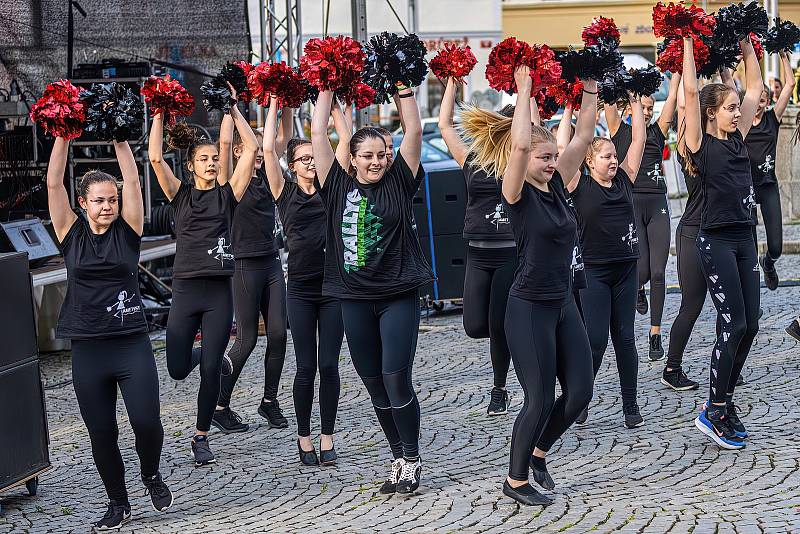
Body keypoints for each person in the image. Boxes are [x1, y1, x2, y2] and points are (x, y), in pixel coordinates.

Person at [461, 66, 595, 506]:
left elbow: (584, 134)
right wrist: (523, 90)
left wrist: (590, 79)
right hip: (528, 306)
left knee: (579, 393)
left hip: (562, 303)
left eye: (552, 157)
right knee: (538, 398)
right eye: (544, 158)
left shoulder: (557, 184)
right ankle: (515, 480)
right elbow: (519, 144)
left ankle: (538, 455)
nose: (551, 162)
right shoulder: (515, 193)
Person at [311, 84, 432, 495]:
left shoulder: (399, 180)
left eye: (382, 154)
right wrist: (325, 84)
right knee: (373, 381)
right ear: (352, 159)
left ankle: (413, 457)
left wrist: (402, 87)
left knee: (395, 376)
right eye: (368, 155)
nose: (377, 161)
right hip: (354, 299)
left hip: (398, 293)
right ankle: (397, 456)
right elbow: (316, 134)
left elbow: (413, 131)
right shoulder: (337, 185)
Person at [48, 136, 172, 530]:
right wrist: (62, 135)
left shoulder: (128, 230)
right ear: (82, 204)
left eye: (111, 200)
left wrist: (120, 140)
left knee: (147, 421)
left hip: (130, 342)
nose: (107, 206)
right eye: (99, 201)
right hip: (88, 348)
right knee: (102, 431)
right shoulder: (70, 233)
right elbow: (54, 184)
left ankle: (150, 474)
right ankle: (118, 502)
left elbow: (133, 182)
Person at [148, 86, 259, 466]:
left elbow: (251, 148)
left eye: (215, 158)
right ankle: (200, 356)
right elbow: (154, 157)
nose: (212, 163)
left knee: (212, 367)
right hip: (185, 291)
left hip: (217, 293)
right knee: (179, 368)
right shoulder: (179, 195)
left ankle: (201, 436)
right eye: (204, 159)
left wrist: (233, 108)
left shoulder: (229, 194)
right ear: (191, 165)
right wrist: (160, 110)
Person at [682, 36, 762, 450]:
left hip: (745, 238)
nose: (736, 113)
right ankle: (712, 409)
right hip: (714, 242)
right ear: (711, 114)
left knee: (751, 323)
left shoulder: (737, 138)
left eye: (736, 109)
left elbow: (755, 90)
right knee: (732, 324)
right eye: (728, 109)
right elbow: (692, 92)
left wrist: (747, 45)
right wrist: (688, 41)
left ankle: (726, 402)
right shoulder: (701, 145)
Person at [265, 98, 347, 465]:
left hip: (332, 289)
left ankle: (327, 436)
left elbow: (344, 142)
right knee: (306, 367)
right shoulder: (284, 193)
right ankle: (304, 437)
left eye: (316, 157)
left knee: (329, 366)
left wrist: (333, 103)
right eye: (305, 159)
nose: (312, 164)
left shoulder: (333, 188)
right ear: (292, 165)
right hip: (298, 291)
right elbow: (267, 148)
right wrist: (272, 102)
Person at [438, 76, 519, 415]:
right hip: (477, 251)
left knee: (499, 325)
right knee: (474, 325)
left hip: (509, 252)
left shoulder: (522, 163)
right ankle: (516, 330)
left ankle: (499, 388)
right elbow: (444, 126)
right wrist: (451, 83)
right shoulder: (473, 159)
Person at [569, 90, 647, 429]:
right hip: (595, 273)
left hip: (625, 269)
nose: (613, 161)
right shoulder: (579, 185)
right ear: (589, 161)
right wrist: (576, 107)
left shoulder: (626, 182)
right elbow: (569, 146)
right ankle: (581, 399)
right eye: (605, 157)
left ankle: (630, 405)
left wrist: (635, 103)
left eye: (615, 155)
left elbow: (639, 138)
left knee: (626, 340)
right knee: (596, 339)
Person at [212, 106, 290, 433]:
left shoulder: (268, 178)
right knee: (245, 340)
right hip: (243, 264)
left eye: (258, 150)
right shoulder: (232, 180)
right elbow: (227, 142)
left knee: (278, 334)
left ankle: (269, 402)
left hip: (270, 261)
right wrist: (229, 108)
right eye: (249, 150)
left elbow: (281, 137)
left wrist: (279, 101)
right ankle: (219, 404)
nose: (256, 154)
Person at [607, 74, 680, 361]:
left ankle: (655, 333)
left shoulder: (657, 132)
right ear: (630, 108)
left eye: (651, 108)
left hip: (657, 203)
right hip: (632, 205)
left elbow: (672, 100)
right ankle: (638, 287)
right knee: (643, 271)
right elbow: (609, 102)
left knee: (659, 271)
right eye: (643, 107)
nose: (647, 112)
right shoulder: (619, 131)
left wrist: (675, 76)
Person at [745, 51, 795, 291]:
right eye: (756, 99)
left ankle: (769, 263)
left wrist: (784, 54)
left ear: (766, 102)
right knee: (749, 249)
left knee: (776, 246)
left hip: (767, 187)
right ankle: (751, 296)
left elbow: (789, 85)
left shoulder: (771, 119)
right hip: (745, 190)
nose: (759, 103)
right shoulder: (740, 123)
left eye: (763, 100)